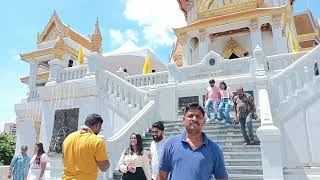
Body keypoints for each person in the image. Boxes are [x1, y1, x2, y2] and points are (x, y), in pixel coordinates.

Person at [157, 103, 228, 180]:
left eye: (198, 116)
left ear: (204, 121)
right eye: (190, 116)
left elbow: (222, 178)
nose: (194, 119)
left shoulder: (215, 149)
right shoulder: (170, 144)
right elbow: (161, 176)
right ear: (184, 120)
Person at [62, 113, 110, 179]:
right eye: (100, 128)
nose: (99, 131)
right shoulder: (97, 141)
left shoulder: (68, 138)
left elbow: (64, 161)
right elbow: (104, 167)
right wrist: (106, 158)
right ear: (97, 126)